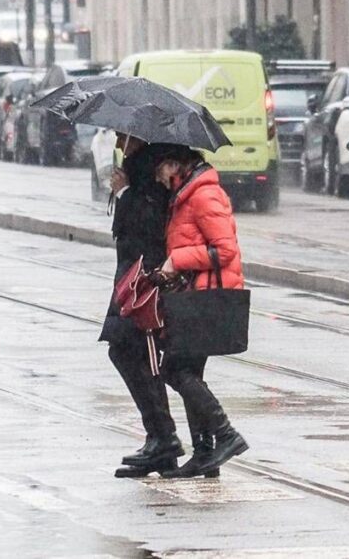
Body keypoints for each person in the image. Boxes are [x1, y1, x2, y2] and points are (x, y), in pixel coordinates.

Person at [154, 146, 248, 478]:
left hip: (207, 296)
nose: (159, 178)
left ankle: (225, 435)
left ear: (176, 163)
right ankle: (205, 454)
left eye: (161, 169)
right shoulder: (186, 193)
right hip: (194, 293)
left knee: (175, 370)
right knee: (188, 371)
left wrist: (177, 260)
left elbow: (225, 250)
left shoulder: (203, 194)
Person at [100, 134, 184, 478]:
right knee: (126, 352)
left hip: (144, 279)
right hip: (131, 276)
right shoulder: (140, 165)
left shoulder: (150, 168)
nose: (119, 140)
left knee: (136, 354)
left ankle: (163, 438)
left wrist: (123, 192)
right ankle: (159, 440)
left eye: (124, 135)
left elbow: (149, 224)